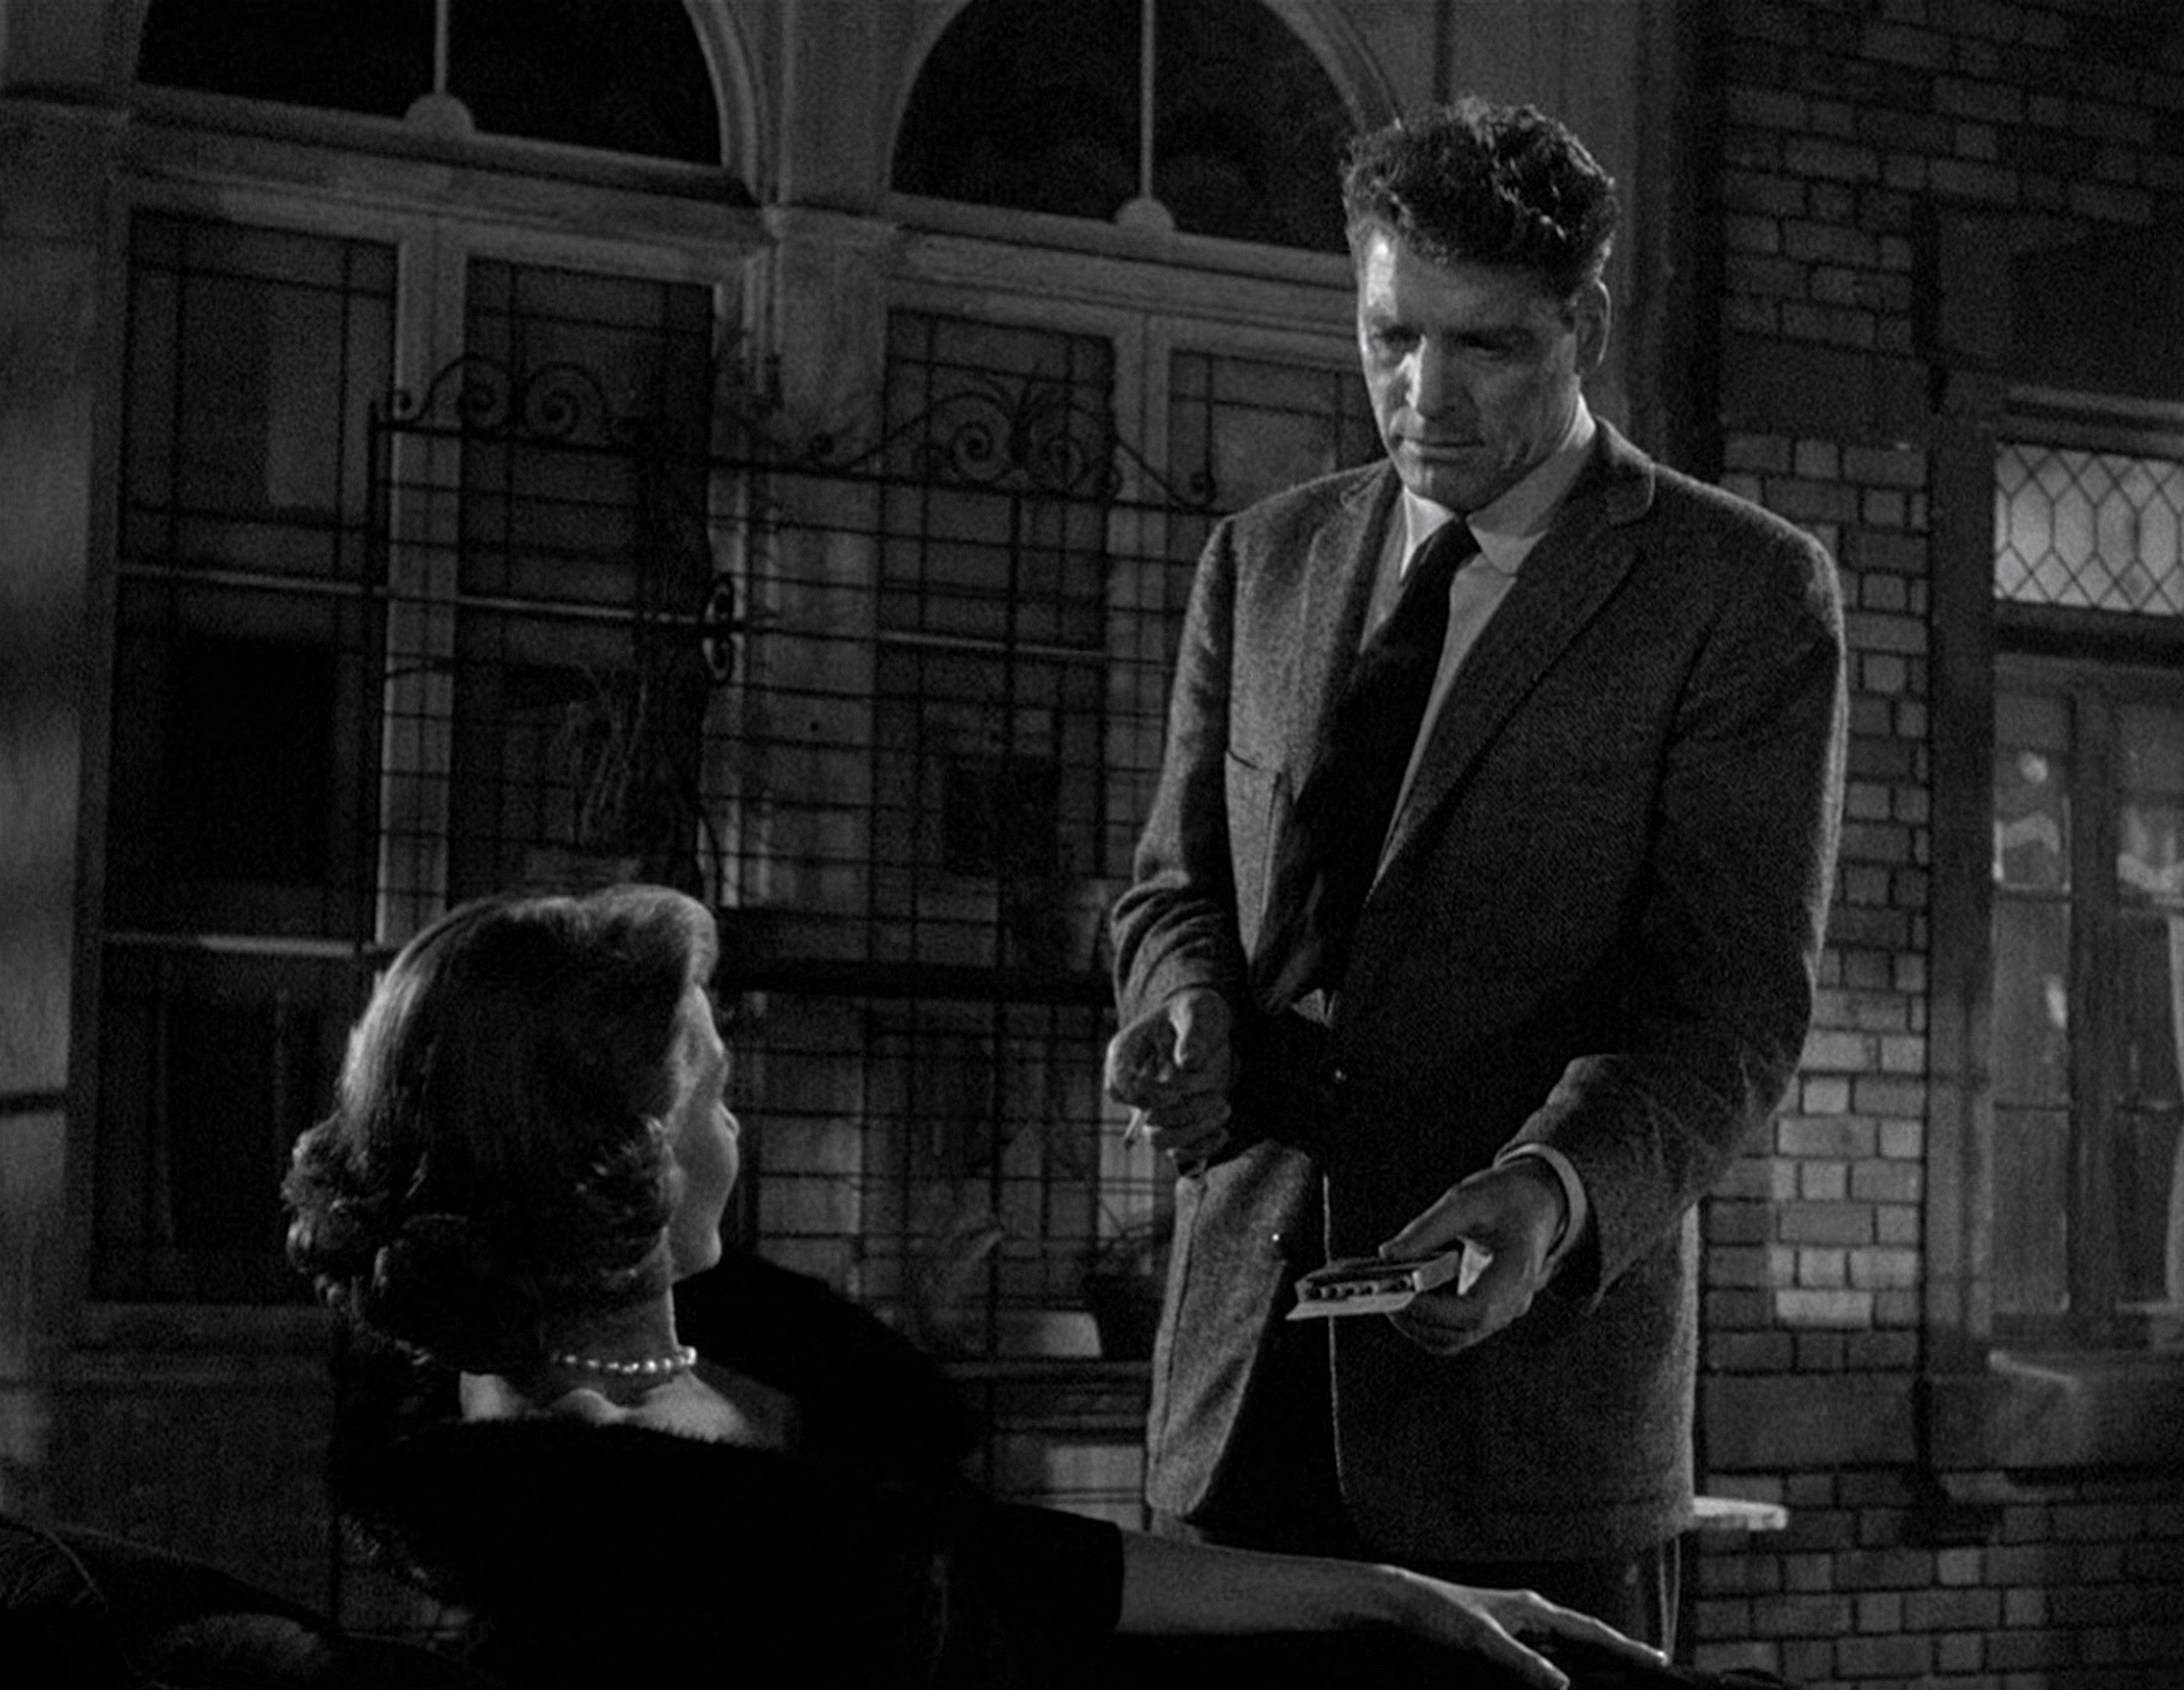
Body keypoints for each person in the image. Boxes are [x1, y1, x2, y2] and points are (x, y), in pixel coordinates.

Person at [1103, 96, 1847, 1648]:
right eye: (1392, 337)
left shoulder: (1736, 593)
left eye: (1485, 347)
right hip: (1235, 1405)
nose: (1423, 395)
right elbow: (1175, 888)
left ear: (1585, 327)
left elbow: (1725, 1009)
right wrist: (1181, 1001)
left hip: (1521, 1427)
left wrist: (1552, 1195)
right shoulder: (1265, 559)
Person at [283, 884, 1662, 1690]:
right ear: (622, 1157)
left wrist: (1392, 1595)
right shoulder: (590, 1496)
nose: (736, 1130)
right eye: (714, 1094)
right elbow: (970, 1570)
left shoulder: (706, 1360)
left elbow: (1003, 1556)